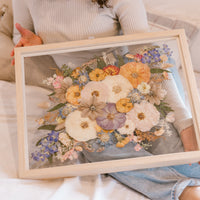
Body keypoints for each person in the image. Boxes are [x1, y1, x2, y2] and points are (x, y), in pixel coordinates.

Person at [10, 0, 200, 199]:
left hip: (133, 78)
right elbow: (21, 40)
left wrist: (186, 124)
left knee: (187, 162)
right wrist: (34, 45)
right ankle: (180, 190)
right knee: (88, 144)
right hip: (83, 92)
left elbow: (146, 53)